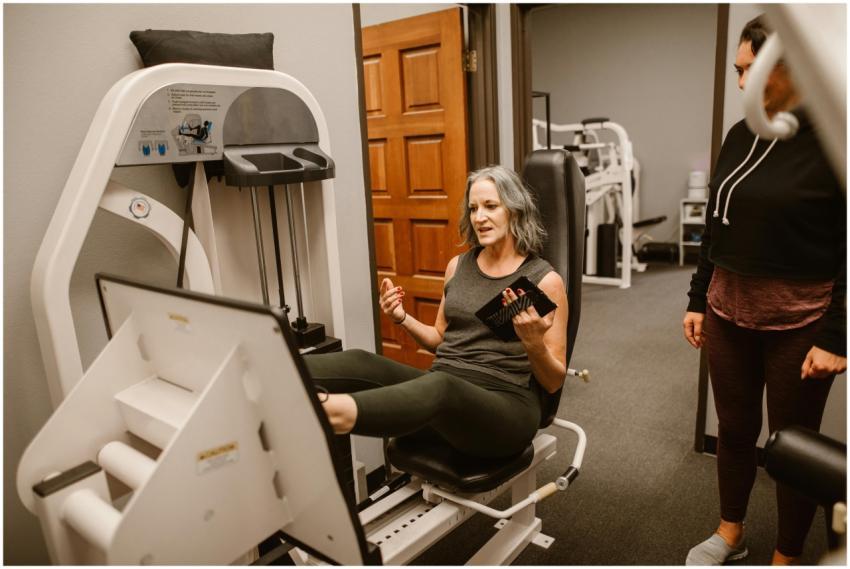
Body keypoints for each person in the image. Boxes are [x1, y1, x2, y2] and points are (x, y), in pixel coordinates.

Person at [683, 15, 846, 566]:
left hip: (800, 323)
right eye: (736, 71)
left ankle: (787, 554)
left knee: (793, 446)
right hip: (728, 310)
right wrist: (697, 296)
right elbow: (715, 221)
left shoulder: (834, 139)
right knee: (734, 430)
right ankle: (731, 533)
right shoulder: (739, 133)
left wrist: (838, 335)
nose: (741, 86)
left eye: (751, 72)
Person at [304, 165, 568, 459]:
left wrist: (533, 343)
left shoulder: (545, 281)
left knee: (441, 385)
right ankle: (280, 374)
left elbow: (554, 381)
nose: (479, 218)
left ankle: (332, 415)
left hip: (505, 408)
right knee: (361, 361)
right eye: (473, 208)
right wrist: (401, 317)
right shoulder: (458, 266)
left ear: (514, 211)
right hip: (442, 394)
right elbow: (439, 339)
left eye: (490, 206)